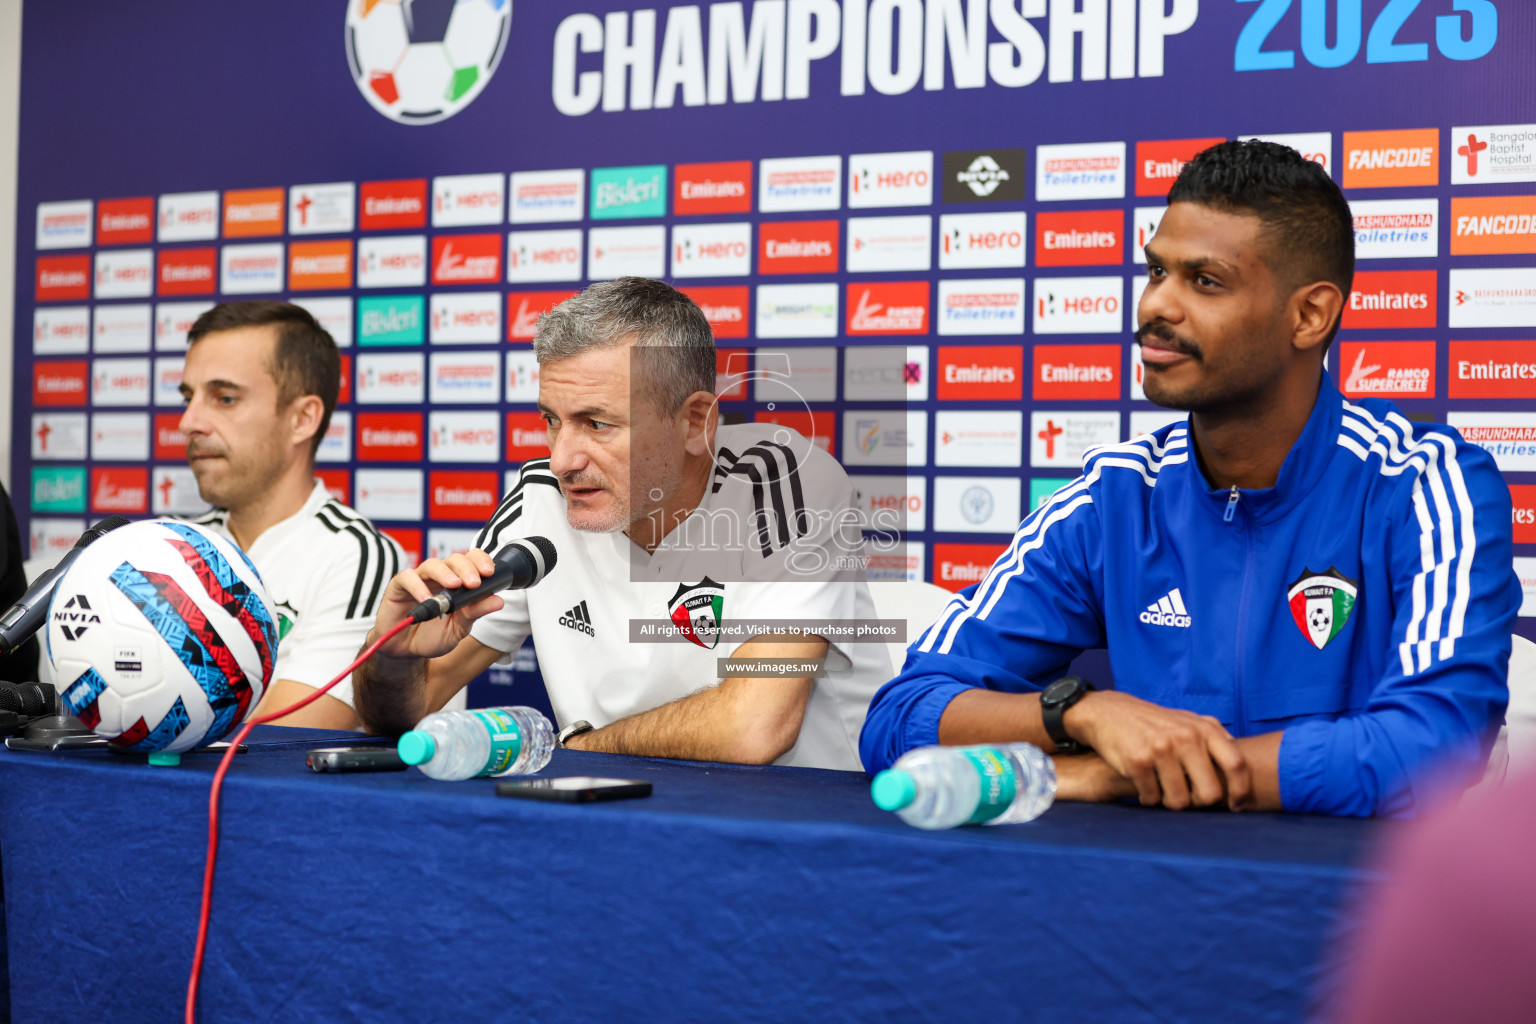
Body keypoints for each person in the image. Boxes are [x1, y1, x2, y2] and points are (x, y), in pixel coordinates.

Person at [860, 140, 1520, 817]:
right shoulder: (1114, 497)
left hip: (1361, 909)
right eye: (1156, 271)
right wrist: (1078, 716)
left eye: (1205, 281)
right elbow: (902, 712)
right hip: (1148, 897)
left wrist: (1137, 777)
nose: (1157, 307)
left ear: (1310, 316)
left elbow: (1433, 746)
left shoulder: (1423, 486)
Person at [352, 277, 890, 771]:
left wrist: (578, 748)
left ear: (695, 422)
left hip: (805, 839)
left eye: (597, 424)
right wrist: (393, 654)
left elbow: (753, 728)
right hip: (620, 823)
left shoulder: (782, 481)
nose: (562, 460)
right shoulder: (541, 498)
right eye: (551, 420)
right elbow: (405, 711)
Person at [179, 300, 402, 730]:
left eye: (224, 398)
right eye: (189, 398)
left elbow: (284, 738)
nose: (189, 422)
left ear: (302, 419)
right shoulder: (168, 547)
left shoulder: (356, 556)